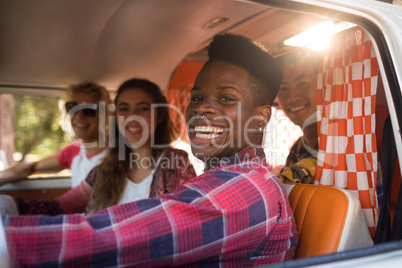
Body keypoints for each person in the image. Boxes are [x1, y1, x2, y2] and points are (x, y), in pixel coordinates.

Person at [2, 33, 297, 267]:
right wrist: (9, 206)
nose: (202, 108)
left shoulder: (245, 187)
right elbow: (62, 207)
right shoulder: (220, 177)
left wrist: (7, 241)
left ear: (261, 117)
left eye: (225, 98)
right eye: (196, 97)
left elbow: (131, 236)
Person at [14, 78, 196, 216]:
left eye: (143, 109)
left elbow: (180, 222)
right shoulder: (105, 169)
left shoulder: (174, 161)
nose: (133, 117)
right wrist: (11, 204)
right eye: (124, 109)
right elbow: (58, 207)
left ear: (159, 116)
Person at [0, 82, 111, 188]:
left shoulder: (118, 152)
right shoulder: (74, 151)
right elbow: (31, 167)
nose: (79, 116)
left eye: (89, 109)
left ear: (105, 114)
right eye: (72, 107)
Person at [275, 50, 321, 184]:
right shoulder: (298, 147)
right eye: (283, 88)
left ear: (324, 85)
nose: (292, 97)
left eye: (303, 83)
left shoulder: (344, 144)